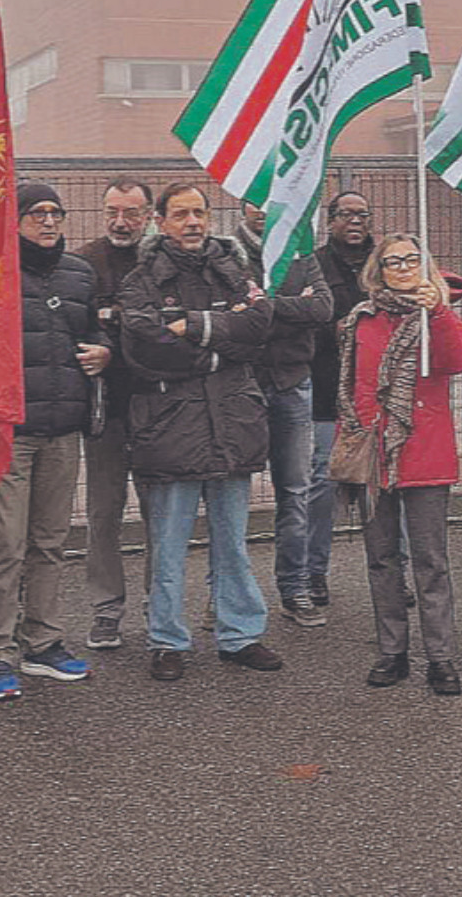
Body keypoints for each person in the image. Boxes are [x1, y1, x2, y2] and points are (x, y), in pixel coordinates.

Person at [118, 182, 282, 681]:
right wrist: (219, 343)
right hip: (173, 431)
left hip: (233, 425)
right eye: (181, 214)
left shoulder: (235, 270)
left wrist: (192, 326)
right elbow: (145, 345)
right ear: (161, 222)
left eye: (199, 213)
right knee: (168, 546)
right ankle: (167, 640)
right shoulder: (141, 279)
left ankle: (241, 635)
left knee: (233, 543)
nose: (192, 222)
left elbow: (259, 326)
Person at [0, 183, 108, 701]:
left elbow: (94, 331)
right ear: (14, 223)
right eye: (36, 214)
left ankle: (43, 643)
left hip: (63, 429)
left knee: (49, 543)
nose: (48, 222)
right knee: (6, 545)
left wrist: (103, 352)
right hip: (10, 432)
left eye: (55, 213)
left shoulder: (79, 273)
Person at [337, 234, 462, 695]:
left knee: (431, 561)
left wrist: (437, 312)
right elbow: (353, 388)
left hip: (425, 452)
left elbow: (456, 360)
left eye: (411, 260)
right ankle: (392, 651)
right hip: (374, 456)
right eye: (392, 261)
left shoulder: (438, 314)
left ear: (424, 265)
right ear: (379, 271)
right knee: (381, 558)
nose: (402, 268)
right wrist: (351, 442)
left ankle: (441, 657)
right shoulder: (363, 320)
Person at [235, 201, 334, 628]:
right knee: (230, 498)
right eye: (254, 202)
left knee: (294, 492)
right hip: (241, 386)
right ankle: (224, 593)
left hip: (294, 383)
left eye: (270, 202)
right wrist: (292, 306)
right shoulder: (228, 254)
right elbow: (232, 318)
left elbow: (323, 310)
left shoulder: (302, 252)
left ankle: (294, 588)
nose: (262, 210)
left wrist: (266, 305)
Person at [77, 178, 153, 650]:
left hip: (159, 411)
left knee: (159, 516)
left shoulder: (164, 261)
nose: (120, 222)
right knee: (103, 515)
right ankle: (107, 610)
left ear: (148, 216)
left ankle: (157, 608)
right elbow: (76, 329)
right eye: (112, 211)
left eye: (131, 212)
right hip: (103, 411)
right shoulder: (83, 264)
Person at [308, 190, 376, 610]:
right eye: (346, 214)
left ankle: (393, 570)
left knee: (382, 491)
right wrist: (332, 330)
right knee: (321, 489)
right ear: (330, 221)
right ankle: (313, 573)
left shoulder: (385, 262)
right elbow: (303, 318)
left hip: (377, 399)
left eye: (363, 214)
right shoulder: (314, 265)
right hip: (326, 396)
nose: (355, 221)